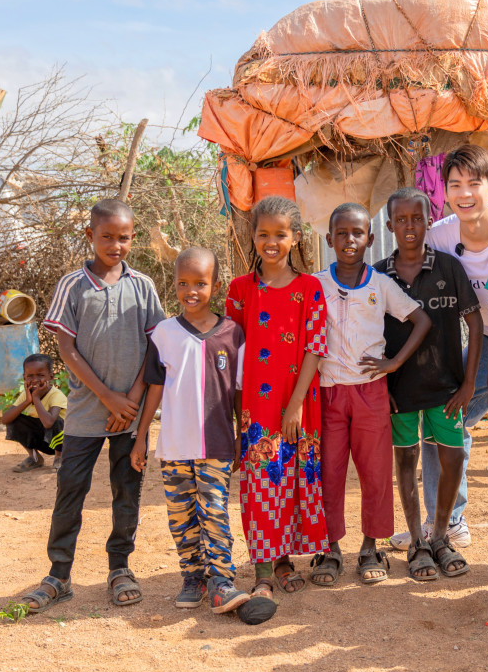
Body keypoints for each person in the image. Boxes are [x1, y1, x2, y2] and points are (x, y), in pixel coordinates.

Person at [22, 198, 165, 614]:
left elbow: (154, 348)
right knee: (71, 489)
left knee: (127, 490)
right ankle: (58, 574)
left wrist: (133, 400)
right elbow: (66, 349)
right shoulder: (74, 284)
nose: (115, 245)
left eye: (123, 238)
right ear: (90, 236)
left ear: (133, 238)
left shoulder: (143, 286)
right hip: (86, 412)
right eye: (106, 237)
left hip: (130, 415)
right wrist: (107, 396)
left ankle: (120, 568)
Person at [389, 144, 488, 552]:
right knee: (446, 418)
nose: (464, 193)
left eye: (474, 183)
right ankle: (446, 522)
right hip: (485, 340)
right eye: (455, 185)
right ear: (445, 192)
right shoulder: (440, 235)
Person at [313, 202, 430, 586]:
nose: (349, 240)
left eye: (357, 233)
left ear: (371, 238)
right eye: (342, 233)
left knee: (375, 473)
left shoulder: (380, 284)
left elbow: (421, 319)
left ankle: (370, 547)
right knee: (329, 473)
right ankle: (330, 549)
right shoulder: (316, 284)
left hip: (370, 392)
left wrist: (393, 364)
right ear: (329, 239)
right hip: (329, 393)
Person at [130, 247, 252, 616]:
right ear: (175, 285)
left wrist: (240, 436)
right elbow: (154, 387)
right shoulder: (164, 333)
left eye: (200, 283)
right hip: (174, 446)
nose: (191, 290)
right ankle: (192, 577)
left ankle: (221, 581)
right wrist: (141, 437)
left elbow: (239, 392)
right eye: (183, 283)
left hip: (216, 443)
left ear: (215, 286)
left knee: (214, 511)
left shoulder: (233, 334)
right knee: (181, 515)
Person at [226, 195, 330, 605]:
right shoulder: (240, 290)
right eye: (263, 234)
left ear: (296, 238)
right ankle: (264, 571)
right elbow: (230, 355)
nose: (271, 242)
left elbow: (315, 349)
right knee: (260, 487)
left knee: (291, 484)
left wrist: (295, 405)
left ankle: (285, 561)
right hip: (255, 408)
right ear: (253, 237)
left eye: (280, 235)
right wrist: (236, 419)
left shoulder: (310, 288)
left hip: (298, 404)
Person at [381, 187, 482, 582]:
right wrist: (381, 387)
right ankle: (417, 544)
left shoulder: (448, 267)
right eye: (401, 219)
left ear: (429, 221)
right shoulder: (378, 274)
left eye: (417, 218)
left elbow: (474, 323)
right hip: (400, 392)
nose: (410, 226)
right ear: (389, 225)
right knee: (405, 461)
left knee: (452, 457)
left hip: (447, 389)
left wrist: (469, 383)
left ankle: (440, 535)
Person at [1, 353, 66, 473]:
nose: (35, 380)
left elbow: (48, 423)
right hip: (42, 441)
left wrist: (35, 398)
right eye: (30, 376)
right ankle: (35, 458)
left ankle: (59, 457)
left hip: (62, 443)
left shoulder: (56, 395)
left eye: (40, 375)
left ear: (51, 377)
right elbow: (5, 419)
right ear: (24, 378)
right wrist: (27, 401)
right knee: (14, 419)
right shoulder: (26, 394)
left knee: (55, 420)